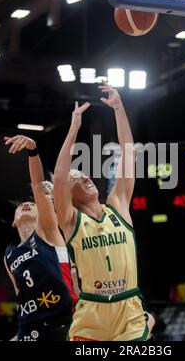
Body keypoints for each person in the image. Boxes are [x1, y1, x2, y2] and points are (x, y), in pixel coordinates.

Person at [54, 82, 154, 341]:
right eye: (76, 178)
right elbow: (61, 177)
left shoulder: (118, 205)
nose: (83, 176)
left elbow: (129, 153)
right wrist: (74, 128)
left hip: (128, 309)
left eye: (83, 173)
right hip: (92, 314)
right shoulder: (71, 220)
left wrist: (119, 109)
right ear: (68, 194)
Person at [3, 135, 77, 341]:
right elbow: (21, 295)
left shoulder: (47, 231)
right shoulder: (9, 254)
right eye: (20, 206)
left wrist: (32, 150)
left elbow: (38, 185)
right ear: (14, 222)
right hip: (30, 328)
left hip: (63, 323)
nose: (26, 205)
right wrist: (19, 333)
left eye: (33, 204)